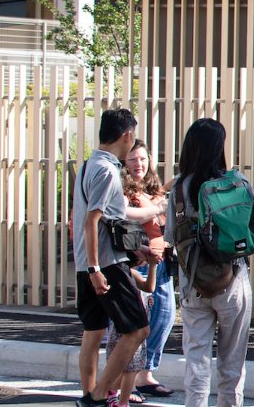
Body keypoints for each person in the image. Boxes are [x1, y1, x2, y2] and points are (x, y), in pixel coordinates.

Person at [168, 118, 254, 407]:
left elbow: (172, 237)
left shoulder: (178, 188)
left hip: (194, 284)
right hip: (233, 281)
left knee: (196, 360)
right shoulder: (237, 183)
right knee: (232, 362)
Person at [73, 108, 155, 407]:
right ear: (127, 135)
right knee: (138, 329)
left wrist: (136, 249)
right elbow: (92, 221)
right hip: (104, 264)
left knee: (92, 333)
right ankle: (99, 395)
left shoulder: (88, 165)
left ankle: (88, 396)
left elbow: (109, 220)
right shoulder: (107, 170)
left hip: (88, 262)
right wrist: (97, 268)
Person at [121, 140, 175, 398]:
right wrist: (157, 208)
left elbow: (162, 203)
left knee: (163, 318)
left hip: (161, 261)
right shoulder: (121, 187)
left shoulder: (152, 189)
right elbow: (127, 216)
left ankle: (145, 374)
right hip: (138, 262)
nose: (138, 164)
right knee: (133, 325)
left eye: (142, 159)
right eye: (132, 159)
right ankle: (125, 382)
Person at [108, 253, 158, 407]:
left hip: (135, 328)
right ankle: (117, 398)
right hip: (128, 328)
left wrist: (153, 266)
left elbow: (149, 287)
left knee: (129, 368)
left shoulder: (130, 273)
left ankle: (112, 394)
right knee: (130, 369)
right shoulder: (127, 273)